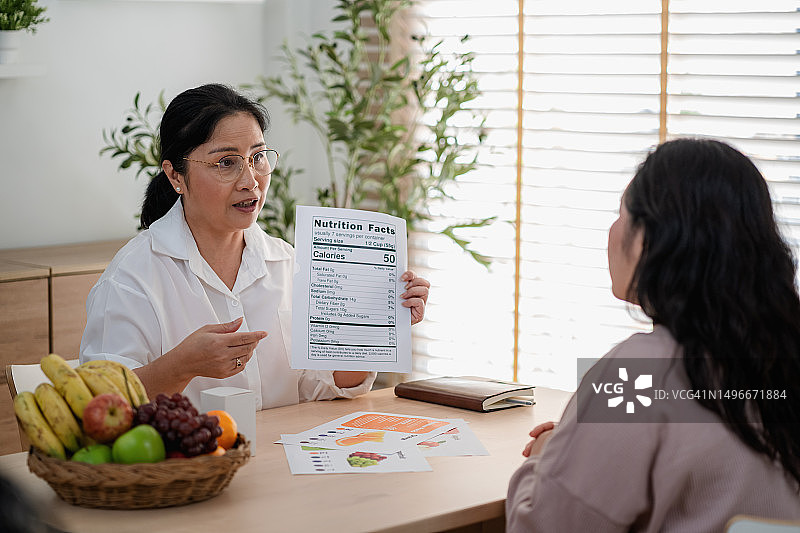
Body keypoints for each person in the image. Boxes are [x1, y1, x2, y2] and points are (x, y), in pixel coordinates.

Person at [506, 139, 800, 532]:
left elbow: (542, 526)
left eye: (621, 213)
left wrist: (543, 458)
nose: (612, 231)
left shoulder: (640, 374)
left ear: (647, 239)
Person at [79, 84, 430, 410]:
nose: (250, 182)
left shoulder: (290, 264)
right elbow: (100, 405)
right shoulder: (130, 278)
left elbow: (320, 386)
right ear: (175, 176)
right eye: (226, 163)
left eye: (257, 158)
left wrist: (377, 325)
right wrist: (181, 365)